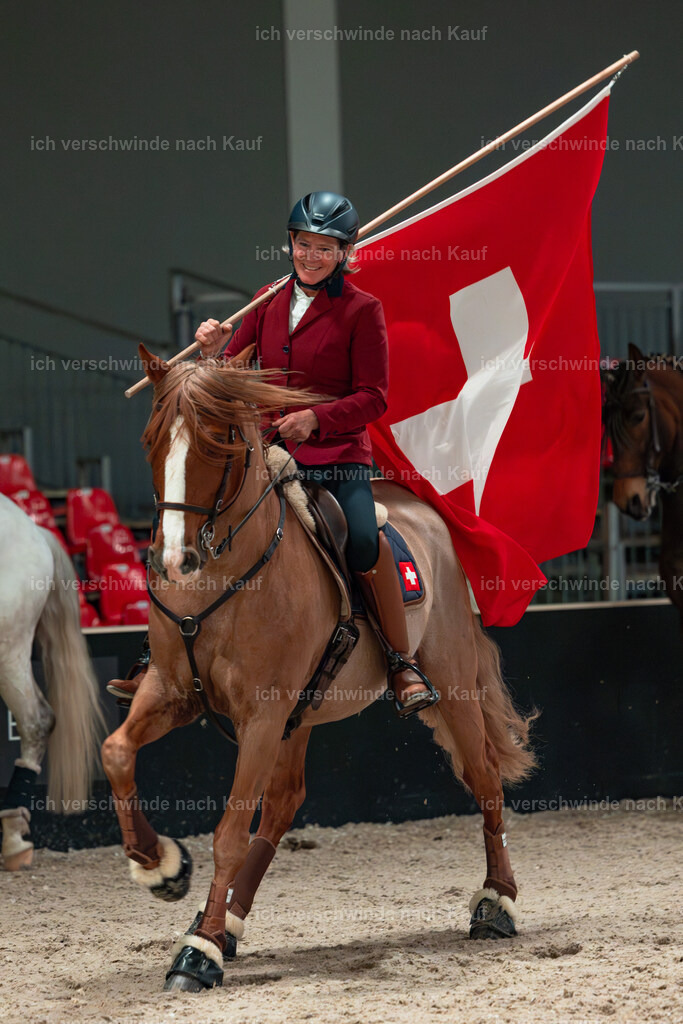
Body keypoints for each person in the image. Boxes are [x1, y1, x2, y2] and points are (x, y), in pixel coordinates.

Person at [108, 192, 437, 718]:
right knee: (190, 519)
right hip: (269, 451)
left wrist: (317, 419)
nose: (311, 256)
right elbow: (235, 369)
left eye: (324, 248)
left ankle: (400, 661)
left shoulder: (362, 310)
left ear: (345, 253)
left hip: (336, 456)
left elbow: (374, 397)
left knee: (361, 537)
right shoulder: (267, 299)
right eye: (303, 244)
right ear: (290, 243)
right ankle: (157, 658)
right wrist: (214, 349)